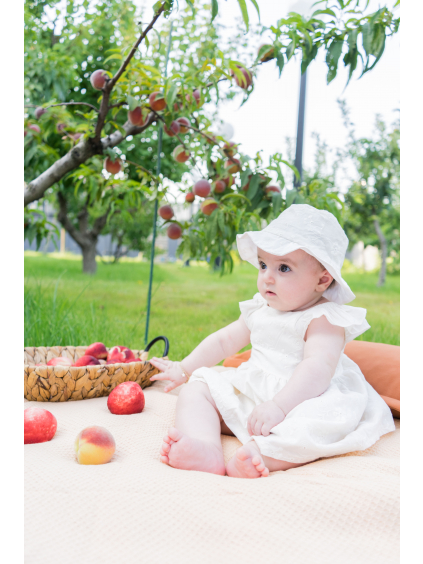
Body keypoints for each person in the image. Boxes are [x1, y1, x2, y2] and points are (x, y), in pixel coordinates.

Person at [149, 204, 395, 479]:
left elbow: (317, 368)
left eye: (284, 268)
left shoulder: (324, 318)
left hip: (305, 396)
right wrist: (185, 368)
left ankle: (262, 454)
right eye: (264, 264)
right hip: (255, 390)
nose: (267, 276)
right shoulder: (261, 308)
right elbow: (224, 341)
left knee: (315, 426)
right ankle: (205, 447)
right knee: (199, 388)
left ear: (322, 280)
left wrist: (279, 406)